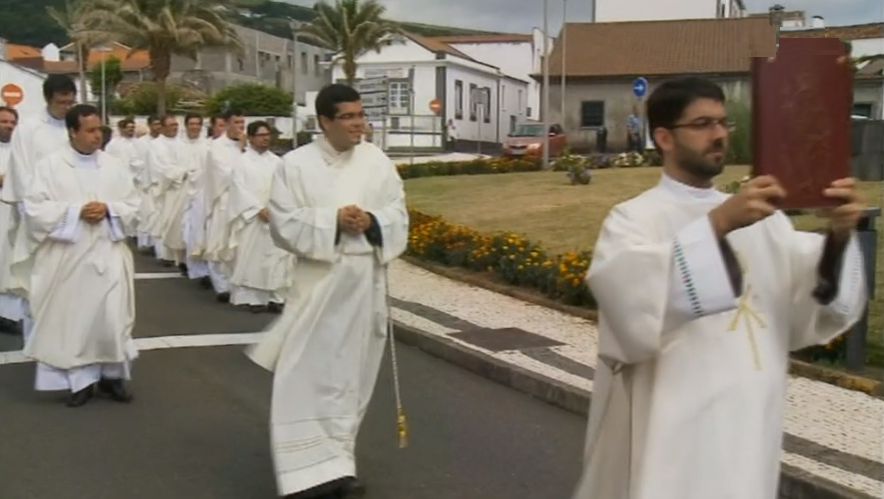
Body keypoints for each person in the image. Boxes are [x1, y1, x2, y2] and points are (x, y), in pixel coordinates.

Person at [570, 77, 868, 499]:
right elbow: (627, 296)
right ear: (664, 137)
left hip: (750, 430)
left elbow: (816, 302)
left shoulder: (765, 220)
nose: (719, 134)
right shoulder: (634, 219)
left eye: (724, 123)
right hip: (674, 435)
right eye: (703, 123)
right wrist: (718, 225)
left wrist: (838, 236)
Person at [246, 83, 409, 499]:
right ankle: (302, 472)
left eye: (361, 115)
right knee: (305, 375)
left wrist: (372, 221)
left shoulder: (377, 161)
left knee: (350, 378)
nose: (360, 124)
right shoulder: (295, 165)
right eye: (350, 117)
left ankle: (340, 464)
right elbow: (284, 222)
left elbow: (397, 213)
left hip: (363, 285)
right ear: (324, 121)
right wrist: (333, 220)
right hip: (319, 284)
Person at [10, 104, 140, 408]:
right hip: (68, 255)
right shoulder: (50, 166)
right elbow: (34, 208)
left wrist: (109, 209)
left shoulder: (113, 165)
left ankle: (112, 377)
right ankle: (80, 380)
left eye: (100, 130)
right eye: (90, 130)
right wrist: (75, 211)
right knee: (74, 321)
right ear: (72, 131)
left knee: (111, 317)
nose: (98, 136)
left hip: (108, 252)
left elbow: (134, 204)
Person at [1, 74, 77, 344]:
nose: (67, 107)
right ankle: (38, 343)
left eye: (71, 101)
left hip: (72, 218)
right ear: (48, 99)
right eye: (61, 102)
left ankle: (67, 341)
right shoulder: (29, 129)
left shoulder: (76, 127)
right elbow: (22, 175)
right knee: (39, 284)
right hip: (39, 219)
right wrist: (36, 217)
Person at [225, 120, 292, 313]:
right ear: (251, 138)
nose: (265, 139)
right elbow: (239, 188)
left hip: (275, 216)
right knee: (252, 258)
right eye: (261, 135)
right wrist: (257, 209)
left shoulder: (278, 162)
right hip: (252, 217)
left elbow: (286, 188)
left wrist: (277, 209)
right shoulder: (242, 161)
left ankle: (276, 297)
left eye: (267, 135)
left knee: (277, 257)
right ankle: (253, 298)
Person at [202, 109, 246, 302]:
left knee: (239, 244)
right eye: (236, 123)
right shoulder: (216, 148)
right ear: (227, 124)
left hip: (243, 202)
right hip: (223, 200)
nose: (240, 128)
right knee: (220, 242)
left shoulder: (245, 147)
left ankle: (237, 284)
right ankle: (221, 285)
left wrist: (245, 150)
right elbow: (226, 175)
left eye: (242, 124)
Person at [0, 106, 24, 332]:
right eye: (3, 121)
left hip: (13, 213)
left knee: (10, 264)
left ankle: (9, 315)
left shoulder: (20, 151)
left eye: (12, 122)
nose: (8, 126)